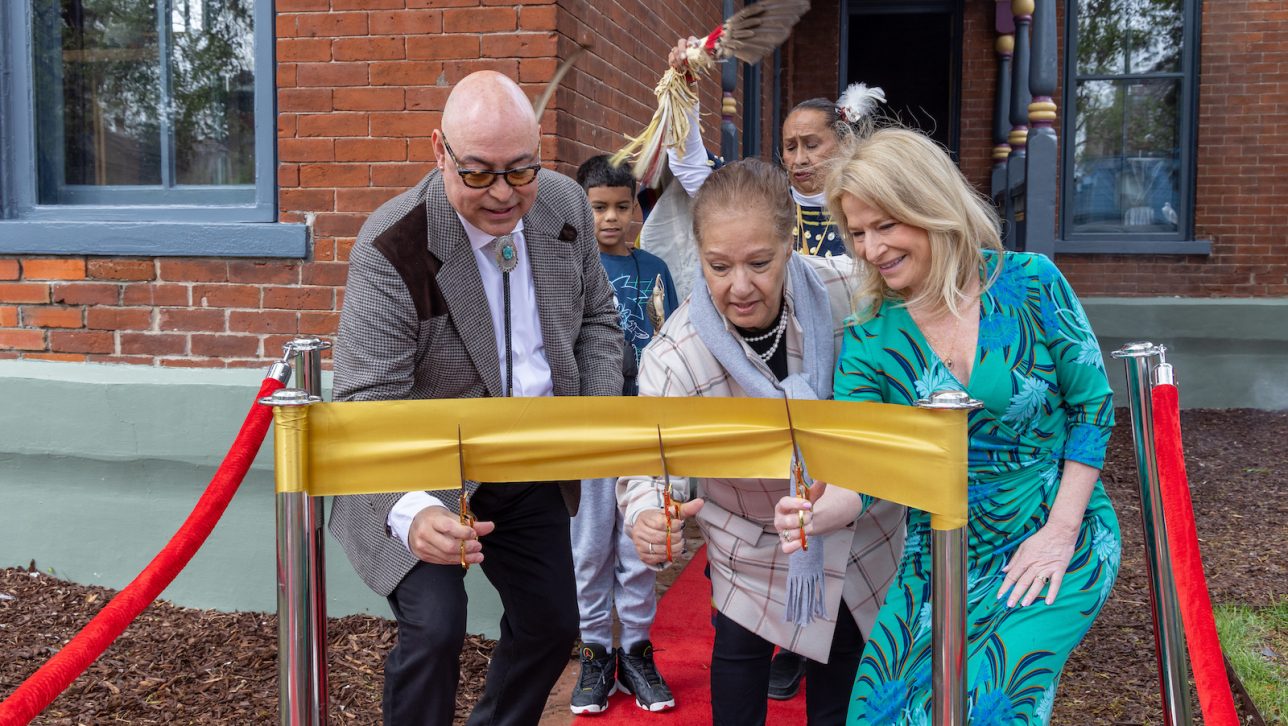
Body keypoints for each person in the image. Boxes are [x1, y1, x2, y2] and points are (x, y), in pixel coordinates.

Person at [793, 127, 1120, 724]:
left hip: (1053, 531)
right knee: (876, 713)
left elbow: (1093, 407)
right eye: (858, 233)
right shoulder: (869, 335)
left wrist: (1061, 531)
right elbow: (863, 473)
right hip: (936, 555)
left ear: (930, 207)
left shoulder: (1031, 281)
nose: (870, 249)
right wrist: (817, 512)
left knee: (991, 706)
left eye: (885, 225)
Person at [328, 71, 623, 726]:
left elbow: (599, 321)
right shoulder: (392, 246)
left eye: (521, 172)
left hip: (530, 461)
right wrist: (407, 511)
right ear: (439, 152)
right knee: (436, 629)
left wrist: (588, 423)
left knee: (552, 623)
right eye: (479, 174)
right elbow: (363, 403)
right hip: (418, 471)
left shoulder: (566, 206)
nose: (503, 195)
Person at [618, 158, 905, 725]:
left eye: (760, 262)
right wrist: (651, 514)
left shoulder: (849, 291)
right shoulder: (675, 355)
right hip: (749, 535)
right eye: (718, 266)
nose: (740, 286)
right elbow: (652, 461)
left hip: (853, 524)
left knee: (846, 674)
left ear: (790, 241)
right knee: (740, 660)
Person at [566, 154, 679, 715]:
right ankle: (594, 652)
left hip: (645, 425)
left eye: (621, 206)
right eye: (597, 208)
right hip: (590, 429)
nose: (610, 218)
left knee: (638, 545)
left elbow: (676, 340)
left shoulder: (656, 268)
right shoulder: (566, 269)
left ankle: (634, 650)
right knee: (589, 547)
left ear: (637, 208)